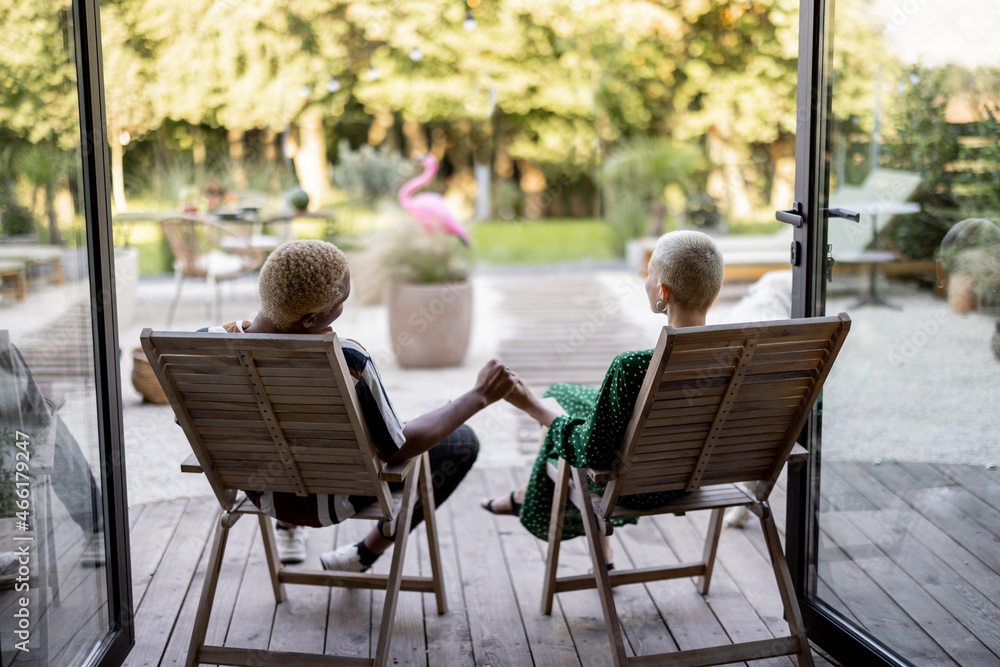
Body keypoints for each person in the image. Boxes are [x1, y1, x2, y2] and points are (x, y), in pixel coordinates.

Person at [206, 240, 515, 572]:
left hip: (261, 493)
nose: (343, 308)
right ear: (310, 319)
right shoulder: (347, 361)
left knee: (279, 430)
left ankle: (292, 529)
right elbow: (396, 449)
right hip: (333, 500)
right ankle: (366, 552)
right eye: (342, 301)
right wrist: (478, 396)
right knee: (461, 442)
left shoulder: (204, 348)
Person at [482, 230, 724, 565]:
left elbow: (588, 452)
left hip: (641, 487)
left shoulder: (633, 367)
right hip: (696, 477)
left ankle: (530, 499)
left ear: (663, 292)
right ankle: (529, 499)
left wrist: (531, 407)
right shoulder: (742, 358)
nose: (647, 280)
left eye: (650, 273)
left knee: (552, 412)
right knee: (561, 393)